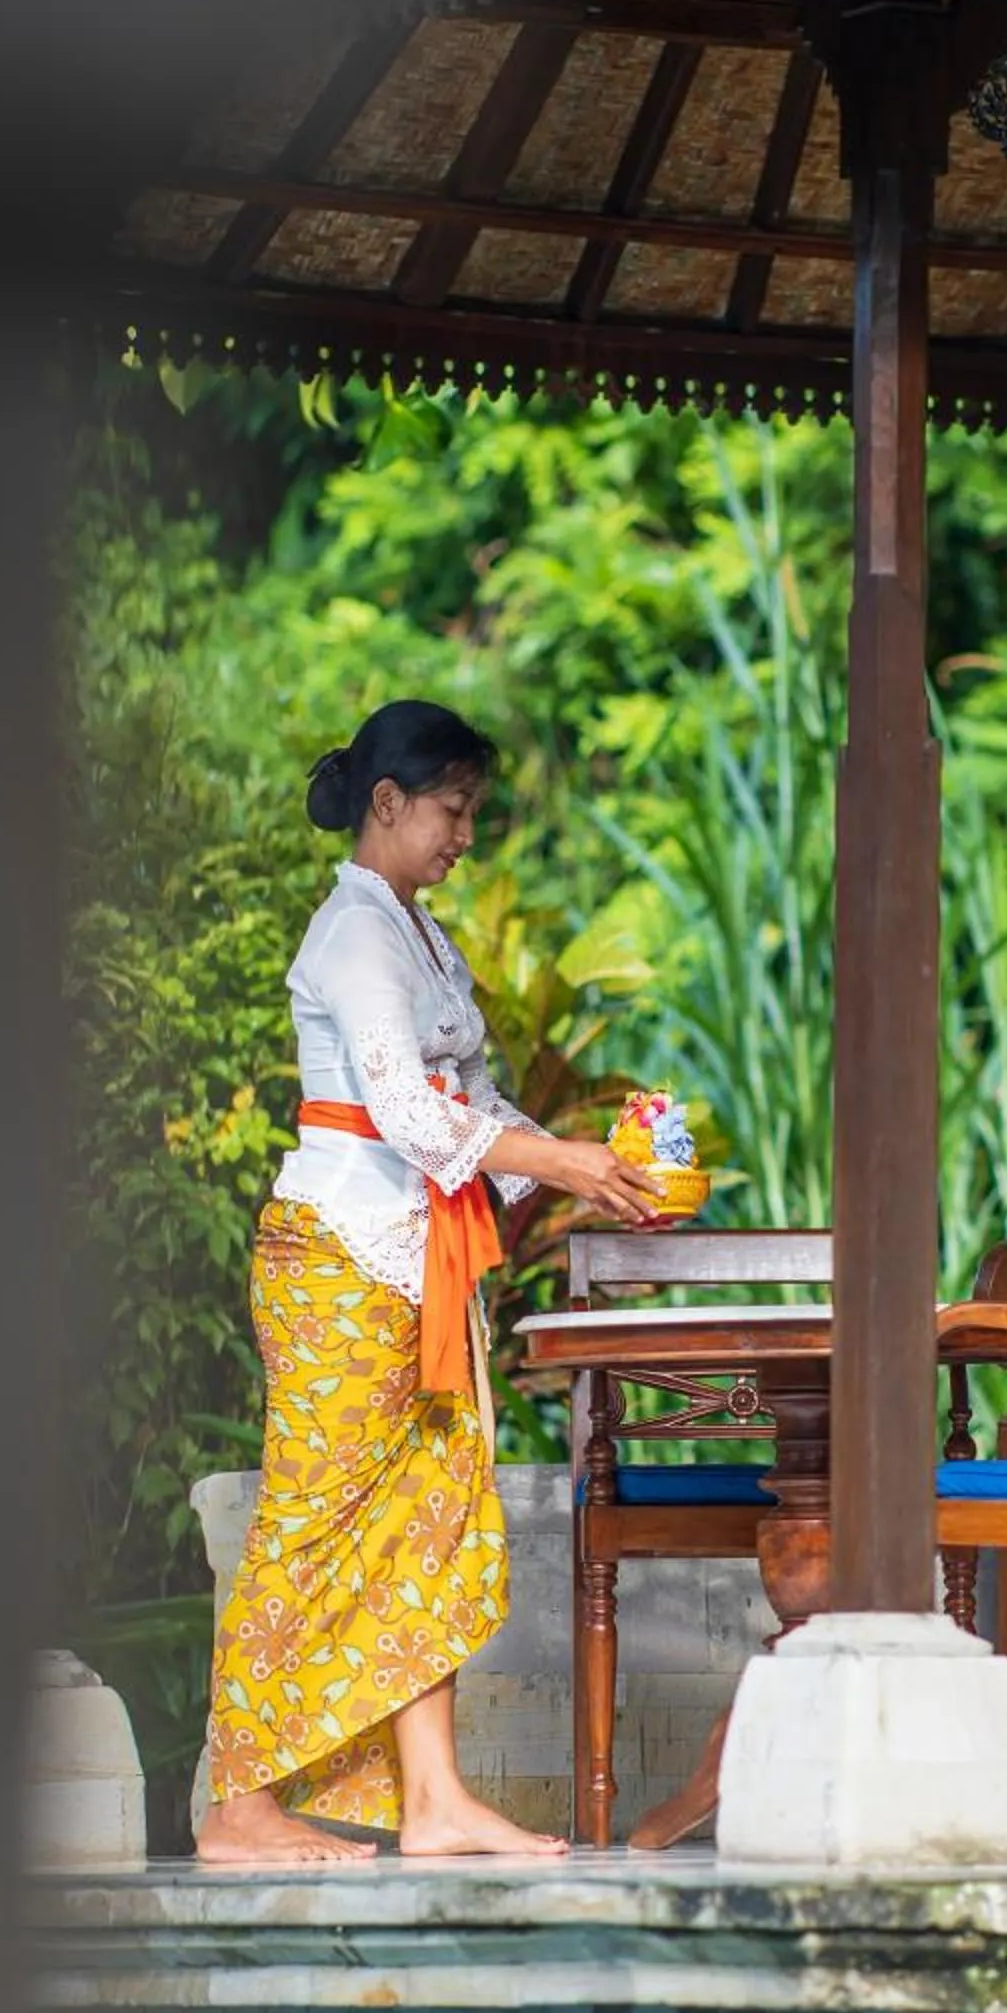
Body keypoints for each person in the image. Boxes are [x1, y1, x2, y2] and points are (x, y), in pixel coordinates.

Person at [197, 700, 660, 1866]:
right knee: (312, 1525)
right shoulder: (354, 936)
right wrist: (554, 1160)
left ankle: (435, 1799)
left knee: (428, 1519)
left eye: (472, 813)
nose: (465, 835)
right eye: (452, 811)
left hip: (409, 1260)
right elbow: (406, 1113)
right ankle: (239, 1806)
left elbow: (477, 1104)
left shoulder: (421, 936)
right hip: (339, 1256)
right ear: (387, 803)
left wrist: (584, 1162)